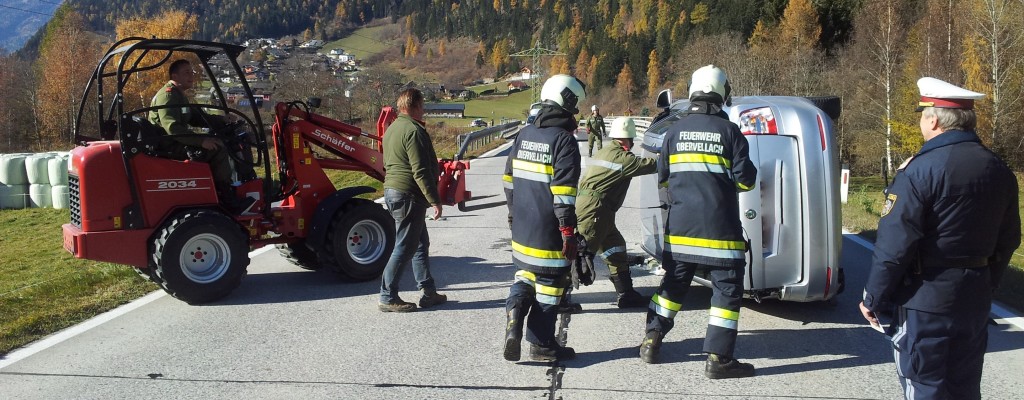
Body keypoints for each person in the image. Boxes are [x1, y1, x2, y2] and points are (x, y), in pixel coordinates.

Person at [860, 77, 1020, 399]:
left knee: (924, 386)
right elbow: (1009, 239)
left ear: (932, 119)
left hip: (925, 300)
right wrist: (986, 283)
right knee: (964, 388)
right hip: (973, 298)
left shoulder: (919, 171)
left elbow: (894, 246)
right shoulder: (998, 169)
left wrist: (873, 298)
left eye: (922, 114)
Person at [639, 65, 758, 379]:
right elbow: (747, 182)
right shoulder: (730, 131)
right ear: (722, 93)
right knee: (726, 294)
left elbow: (663, 179)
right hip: (721, 234)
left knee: (673, 287)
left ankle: (652, 337)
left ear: (692, 92)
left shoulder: (674, 132)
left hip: (680, 231)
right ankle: (718, 359)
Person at [502, 74, 586, 362]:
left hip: (522, 230)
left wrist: (514, 215)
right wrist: (568, 233)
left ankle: (514, 315)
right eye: (575, 107)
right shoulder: (564, 142)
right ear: (567, 103)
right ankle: (540, 344)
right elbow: (563, 196)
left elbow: (508, 180)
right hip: (549, 232)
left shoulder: (524, 134)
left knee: (525, 276)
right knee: (550, 286)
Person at [149, 59, 254, 213]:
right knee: (217, 148)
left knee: (218, 140)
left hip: (175, 142)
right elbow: (172, 127)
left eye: (192, 72)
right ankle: (227, 199)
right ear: (174, 75)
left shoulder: (179, 95)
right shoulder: (168, 95)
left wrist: (222, 119)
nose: (191, 76)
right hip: (170, 146)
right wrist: (201, 141)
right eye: (186, 72)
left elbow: (196, 117)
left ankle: (222, 191)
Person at [378, 88, 448, 313]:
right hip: (408, 194)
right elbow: (420, 170)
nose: (424, 109)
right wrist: (435, 200)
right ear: (415, 105)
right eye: (423, 104)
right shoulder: (414, 131)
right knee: (405, 247)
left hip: (394, 190)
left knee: (419, 244)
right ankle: (388, 297)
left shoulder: (392, 129)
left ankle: (429, 292)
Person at [576, 117, 657, 308]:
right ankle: (557, 299)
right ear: (628, 139)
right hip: (595, 209)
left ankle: (626, 294)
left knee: (616, 248)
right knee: (582, 254)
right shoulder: (622, 158)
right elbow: (649, 165)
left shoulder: (606, 150)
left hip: (600, 210)